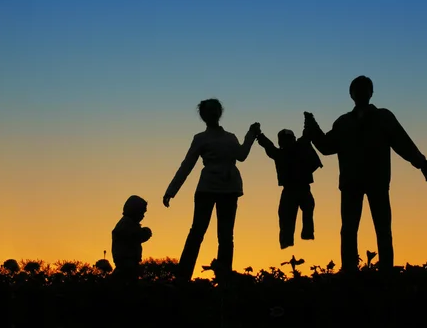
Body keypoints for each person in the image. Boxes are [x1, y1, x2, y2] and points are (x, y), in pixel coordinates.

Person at [304, 76, 427, 272]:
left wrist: (421, 163)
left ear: (371, 93)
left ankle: (386, 270)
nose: (361, 92)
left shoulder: (383, 117)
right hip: (350, 182)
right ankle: (349, 270)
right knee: (348, 229)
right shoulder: (344, 122)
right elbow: (326, 146)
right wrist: (313, 129)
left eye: (365, 88)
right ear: (351, 94)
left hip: (377, 181)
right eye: (357, 89)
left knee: (382, 229)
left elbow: (403, 143)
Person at [163, 98, 261, 281]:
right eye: (208, 111)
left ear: (219, 113)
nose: (212, 113)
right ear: (203, 115)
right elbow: (187, 165)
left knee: (225, 237)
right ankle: (182, 278)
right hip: (207, 189)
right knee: (197, 233)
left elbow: (241, 155)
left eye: (215, 110)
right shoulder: (200, 138)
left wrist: (251, 134)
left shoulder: (230, 137)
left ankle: (223, 278)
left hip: (229, 189)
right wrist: (171, 190)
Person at [257, 127, 323, 249]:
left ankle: (300, 236)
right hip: (293, 189)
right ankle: (291, 239)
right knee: (287, 215)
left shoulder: (296, 149)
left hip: (299, 188)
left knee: (299, 212)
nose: (287, 143)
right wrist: (259, 135)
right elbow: (268, 146)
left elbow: (269, 146)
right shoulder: (286, 152)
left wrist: (259, 135)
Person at [111, 195, 152, 282]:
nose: (143, 216)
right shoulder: (126, 224)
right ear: (135, 211)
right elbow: (137, 236)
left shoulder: (128, 223)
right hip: (126, 264)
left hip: (128, 263)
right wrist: (147, 231)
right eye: (142, 213)